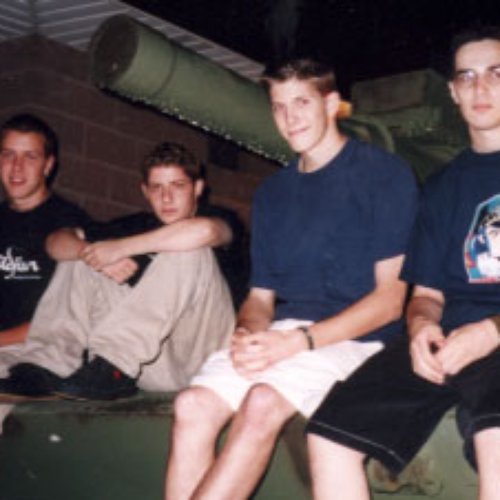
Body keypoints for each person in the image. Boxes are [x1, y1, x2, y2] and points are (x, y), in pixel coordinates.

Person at [165, 58, 418, 500]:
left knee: (262, 402)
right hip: (286, 334)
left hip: (357, 341)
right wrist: (247, 334)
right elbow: (260, 298)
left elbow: (390, 301)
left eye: (302, 102)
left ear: (332, 104)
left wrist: (299, 342)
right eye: (279, 107)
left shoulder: (384, 174)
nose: (290, 117)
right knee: (192, 405)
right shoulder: (273, 193)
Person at [306, 27, 500, 500]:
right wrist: (420, 329)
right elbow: (427, 294)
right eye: (467, 76)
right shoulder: (441, 187)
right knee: (328, 438)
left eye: (496, 73)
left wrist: (491, 332)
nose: (480, 87)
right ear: (453, 92)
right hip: (447, 343)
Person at [0, 141, 237, 401]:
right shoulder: (135, 224)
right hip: (147, 365)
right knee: (81, 255)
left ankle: (114, 362)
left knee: (190, 248)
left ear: (198, 187)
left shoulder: (220, 217)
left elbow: (205, 231)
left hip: (201, 358)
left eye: (178, 185)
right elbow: (55, 243)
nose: (166, 197)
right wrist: (90, 253)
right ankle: (47, 364)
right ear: (145, 191)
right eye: (157, 187)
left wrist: (119, 249)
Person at [0, 113, 90, 347]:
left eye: (30, 157)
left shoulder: (68, 221)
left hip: (40, 351)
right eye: (8, 154)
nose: (17, 167)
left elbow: (56, 322)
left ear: (48, 165)